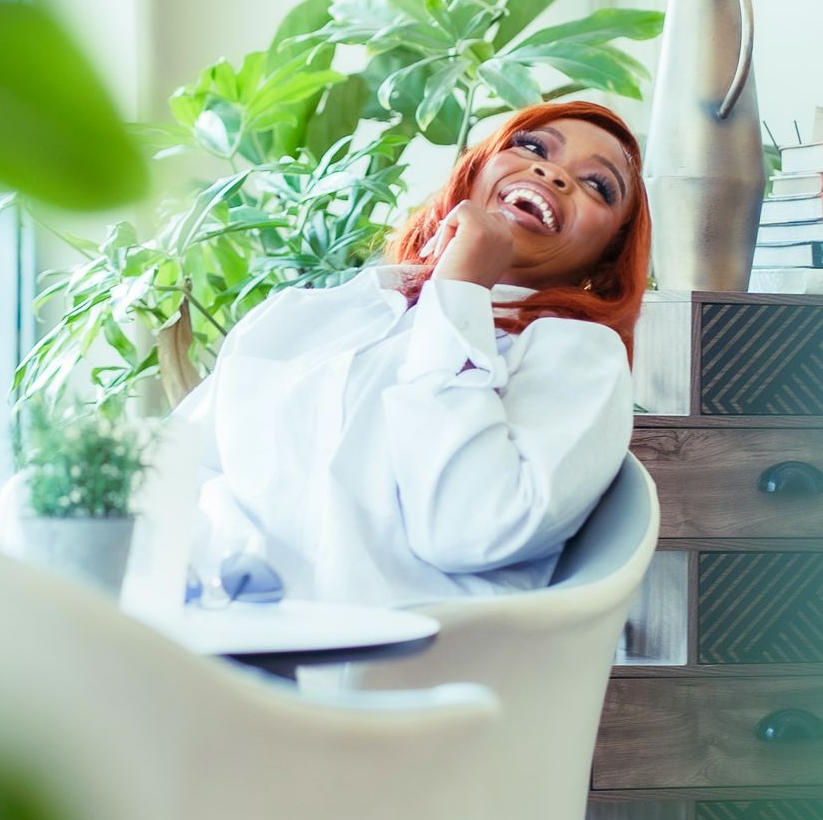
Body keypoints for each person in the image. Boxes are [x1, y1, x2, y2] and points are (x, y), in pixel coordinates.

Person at [162, 100, 648, 608]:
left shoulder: (578, 354)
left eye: (598, 184)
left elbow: (467, 528)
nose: (551, 172)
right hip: (203, 635)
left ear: (609, 255)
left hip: (384, 668)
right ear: (476, 170)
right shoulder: (317, 312)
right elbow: (178, 468)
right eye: (529, 146)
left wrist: (460, 294)